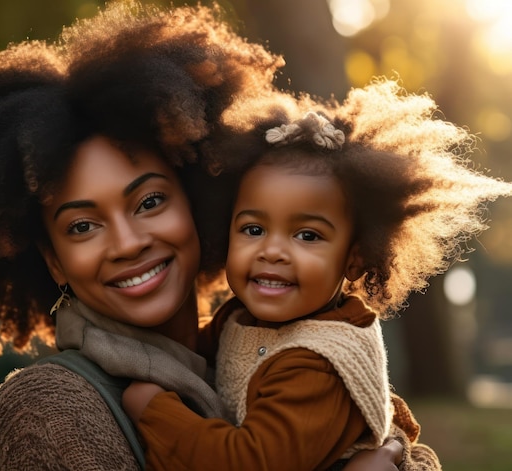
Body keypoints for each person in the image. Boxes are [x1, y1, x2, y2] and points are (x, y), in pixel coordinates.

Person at [0, 2, 409, 469]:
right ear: (54, 261)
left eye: (150, 202)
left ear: (199, 205)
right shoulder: (47, 411)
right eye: (82, 226)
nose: (127, 243)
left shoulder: (261, 342)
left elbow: (395, 436)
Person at [122, 79, 512, 470]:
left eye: (307, 235)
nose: (272, 251)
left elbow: (244, 462)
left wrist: (152, 408)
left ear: (355, 260)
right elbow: (188, 356)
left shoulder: (317, 364)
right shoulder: (241, 318)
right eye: (253, 229)